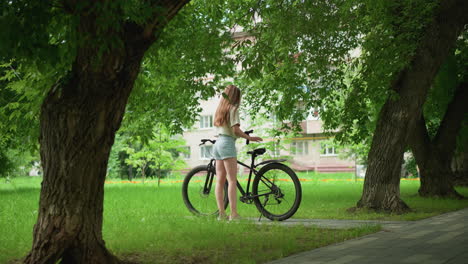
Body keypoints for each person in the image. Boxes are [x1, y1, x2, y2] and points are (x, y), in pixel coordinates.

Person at [212, 84, 262, 221]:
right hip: (227, 144)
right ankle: (233, 214)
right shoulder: (233, 109)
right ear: (236, 97)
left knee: (220, 181)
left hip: (217, 144)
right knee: (232, 180)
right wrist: (249, 138)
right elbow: (235, 130)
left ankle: (221, 214)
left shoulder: (219, 110)